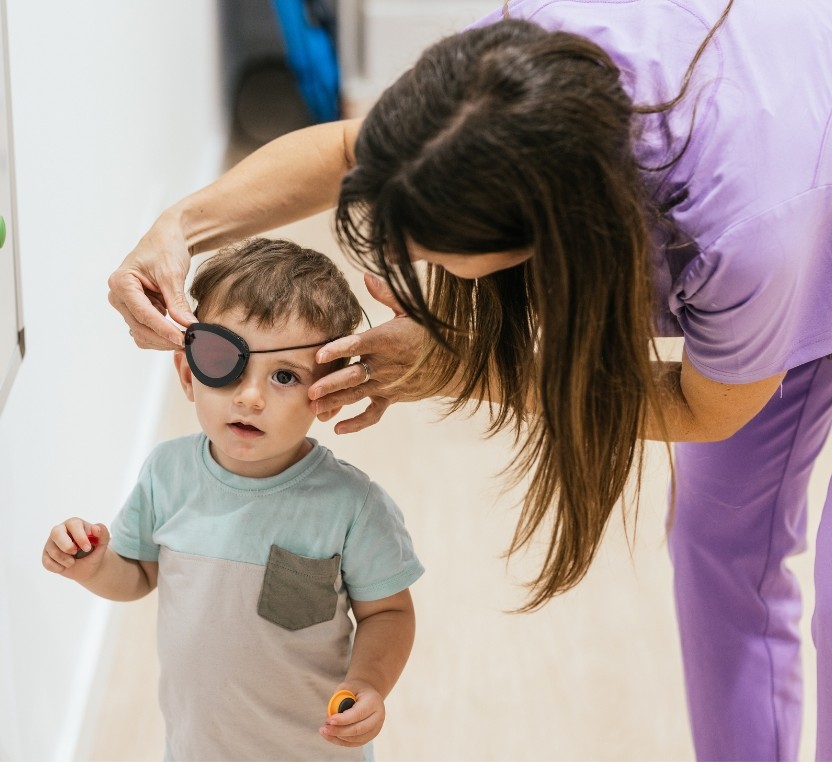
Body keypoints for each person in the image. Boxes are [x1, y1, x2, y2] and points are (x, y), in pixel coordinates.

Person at [106, 1, 832, 759]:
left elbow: (708, 408)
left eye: (435, 253)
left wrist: (469, 367)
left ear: (548, 234)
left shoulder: (743, 231)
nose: (407, 262)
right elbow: (354, 149)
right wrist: (178, 228)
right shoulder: (506, 66)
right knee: (720, 549)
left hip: (791, 186)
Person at [45, 237, 424, 760]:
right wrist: (92, 566)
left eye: (285, 376)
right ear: (188, 374)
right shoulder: (167, 474)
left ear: (329, 395)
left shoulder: (352, 506)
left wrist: (368, 685)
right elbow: (137, 575)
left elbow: (389, 614)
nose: (251, 397)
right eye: (226, 362)